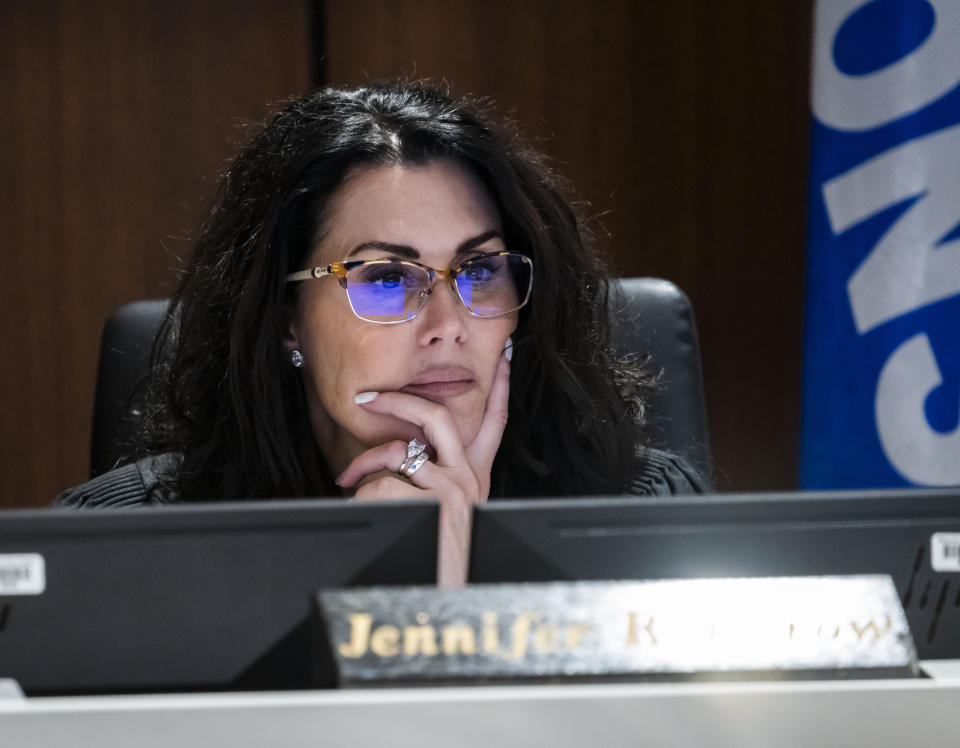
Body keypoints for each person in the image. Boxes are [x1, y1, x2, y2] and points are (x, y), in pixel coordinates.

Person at [55, 80, 705, 584]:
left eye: (480, 270)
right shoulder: (121, 540)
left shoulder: (643, 515)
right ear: (287, 321)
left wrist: (453, 600)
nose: (448, 326)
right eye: (389, 279)